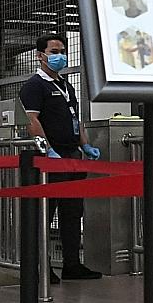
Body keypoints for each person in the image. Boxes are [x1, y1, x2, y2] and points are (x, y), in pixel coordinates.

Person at [19, 33, 102, 283]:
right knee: (46, 212)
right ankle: (40, 267)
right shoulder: (34, 86)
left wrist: (85, 145)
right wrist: (48, 150)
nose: (59, 56)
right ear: (40, 55)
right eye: (54, 51)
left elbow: (76, 118)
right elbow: (32, 120)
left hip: (72, 155)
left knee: (73, 212)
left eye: (62, 51)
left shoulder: (66, 85)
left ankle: (72, 264)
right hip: (51, 159)